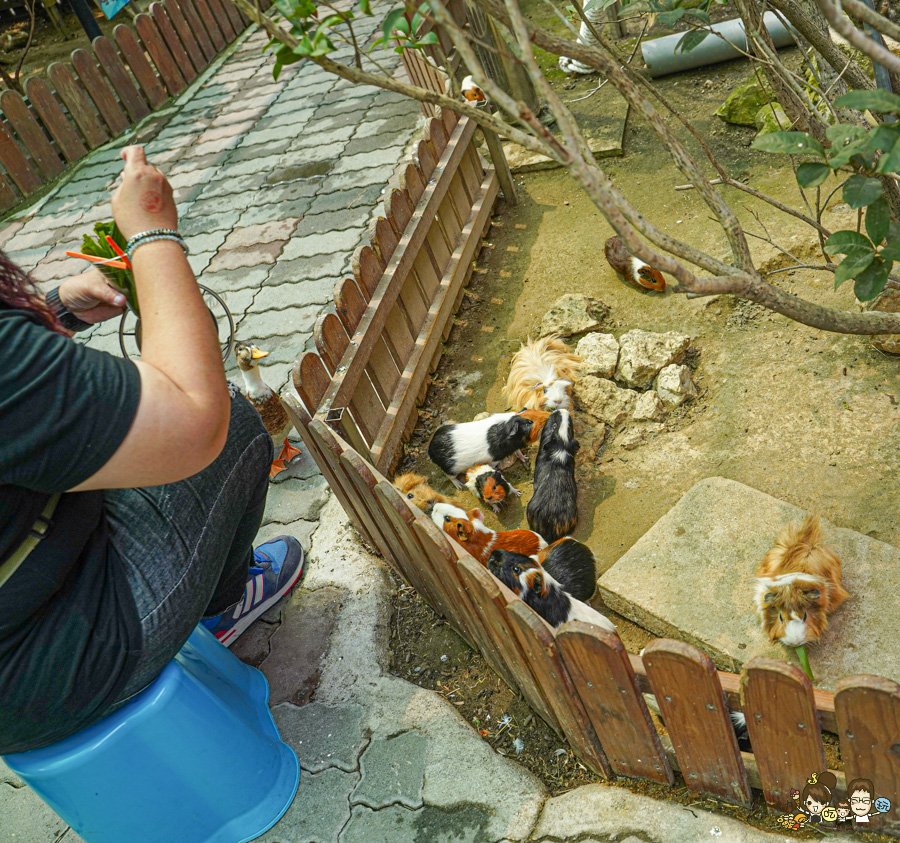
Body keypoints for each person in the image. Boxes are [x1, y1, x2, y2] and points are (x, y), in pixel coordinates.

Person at [0, 146, 304, 755]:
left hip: (22, 613)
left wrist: (57, 307)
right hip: (44, 668)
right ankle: (221, 609)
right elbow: (194, 419)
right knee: (234, 428)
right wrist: (154, 233)